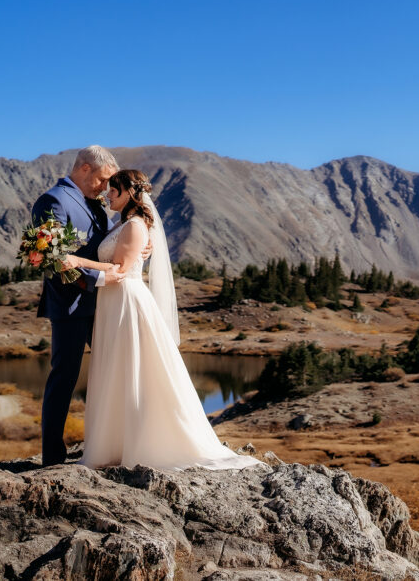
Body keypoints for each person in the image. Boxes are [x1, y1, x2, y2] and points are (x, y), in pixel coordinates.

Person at [61, 169, 261, 471]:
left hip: (127, 300)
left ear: (129, 192)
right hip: (113, 302)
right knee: (117, 370)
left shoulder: (135, 226)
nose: (107, 195)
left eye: (113, 190)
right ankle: (115, 444)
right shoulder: (124, 224)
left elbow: (122, 268)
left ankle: (142, 446)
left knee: (133, 369)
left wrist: (76, 260)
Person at [32, 146, 124, 467]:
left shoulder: (97, 206)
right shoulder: (53, 200)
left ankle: (113, 444)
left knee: (115, 373)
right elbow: (51, 257)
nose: (105, 188)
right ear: (84, 169)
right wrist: (99, 279)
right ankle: (52, 458)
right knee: (64, 379)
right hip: (70, 306)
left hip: (105, 306)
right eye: (102, 179)